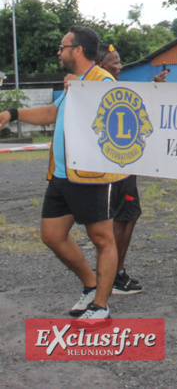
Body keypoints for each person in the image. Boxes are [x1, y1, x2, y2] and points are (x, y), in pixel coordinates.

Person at [0, 26, 127, 319]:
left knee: (101, 238)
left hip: (91, 174)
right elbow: (51, 114)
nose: (59, 52)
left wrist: (81, 89)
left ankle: (101, 305)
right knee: (52, 235)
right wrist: (13, 113)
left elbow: (110, 116)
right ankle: (90, 285)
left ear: (78, 50)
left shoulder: (100, 80)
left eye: (62, 47)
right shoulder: (74, 83)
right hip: (62, 174)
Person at [94, 44, 167, 294]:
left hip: (126, 164)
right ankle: (112, 274)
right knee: (121, 216)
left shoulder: (115, 88)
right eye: (114, 62)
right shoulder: (97, 88)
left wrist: (153, 86)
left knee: (130, 215)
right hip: (114, 167)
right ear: (101, 65)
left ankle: (116, 271)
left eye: (120, 60)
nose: (119, 65)